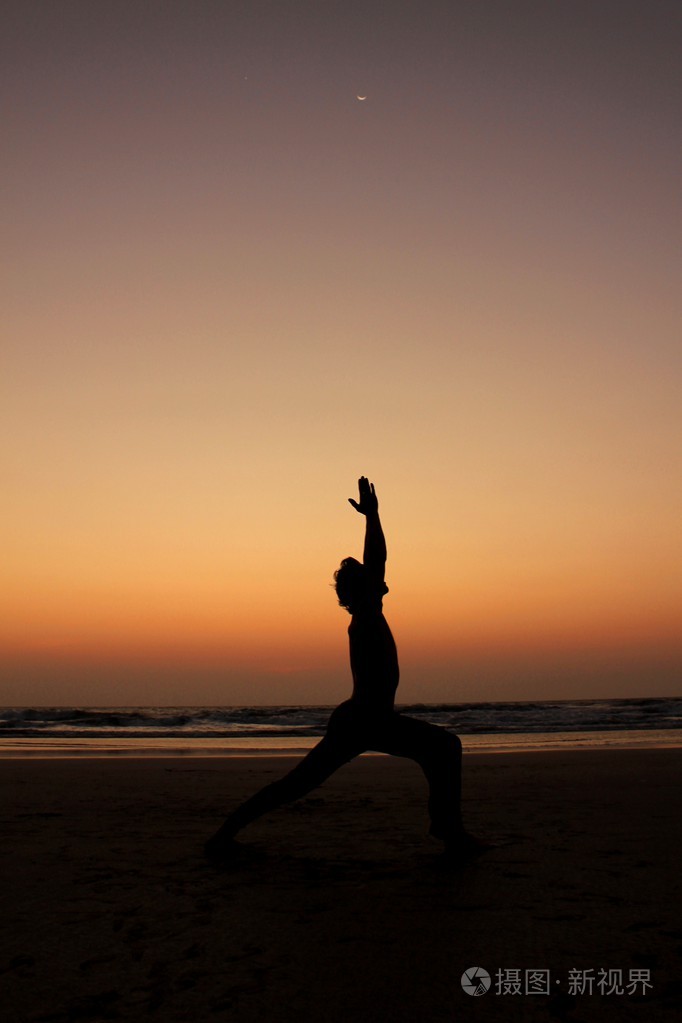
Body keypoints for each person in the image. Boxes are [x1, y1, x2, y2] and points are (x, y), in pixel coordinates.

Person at [204, 477, 485, 863]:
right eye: (374, 581)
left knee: (436, 752)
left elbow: (377, 565)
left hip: (366, 719)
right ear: (364, 590)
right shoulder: (367, 614)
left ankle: (448, 828)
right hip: (366, 720)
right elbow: (378, 560)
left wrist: (373, 518)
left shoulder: (368, 613)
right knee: (440, 749)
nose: (383, 582)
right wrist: (373, 518)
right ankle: (448, 829)